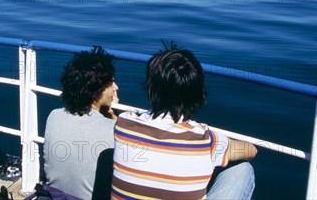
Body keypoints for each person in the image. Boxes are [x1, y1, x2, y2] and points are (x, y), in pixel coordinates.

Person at [112, 43, 258, 200]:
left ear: (150, 88)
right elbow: (251, 151)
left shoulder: (123, 123)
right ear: (198, 93)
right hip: (215, 146)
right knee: (242, 169)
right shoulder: (205, 140)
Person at [43, 46, 119, 200]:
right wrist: (112, 114)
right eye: (111, 83)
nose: (115, 87)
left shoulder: (54, 116)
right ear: (96, 90)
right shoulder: (114, 130)